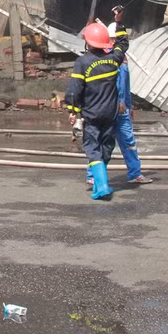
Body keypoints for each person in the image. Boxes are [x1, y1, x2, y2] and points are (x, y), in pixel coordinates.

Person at [64, 21, 129, 200]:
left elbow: (75, 89)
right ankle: (101, 181)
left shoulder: (82, 62)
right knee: (107, 146)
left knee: (93, 148)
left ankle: (101, 186)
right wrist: (120, 22)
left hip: (92, 115)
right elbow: (123, 45)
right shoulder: (113, 59)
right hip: (110, 113)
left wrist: (72, 109)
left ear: (88, 42)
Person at [108, 6, 153, 186]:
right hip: (110, 108)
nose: (119, 41)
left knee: (129, 142)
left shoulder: (122, 60)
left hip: (123, 109)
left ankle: (135, 173)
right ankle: (93, 175)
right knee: (103, 143)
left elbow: (124, 86)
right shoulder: (106, 60)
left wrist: (128, 104)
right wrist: (118, 102)